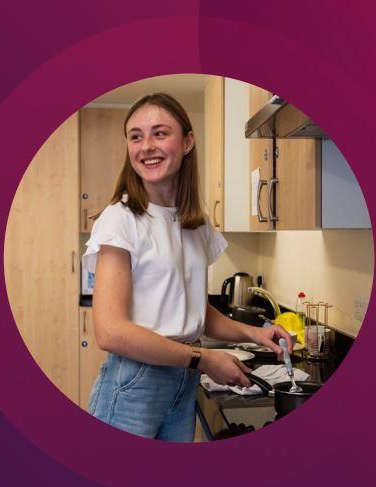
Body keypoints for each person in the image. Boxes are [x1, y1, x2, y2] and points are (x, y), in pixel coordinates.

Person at [82, 92, 291, 442]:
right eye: (136, 136)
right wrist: (203, 359)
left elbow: (193, 310)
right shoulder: (120, 220)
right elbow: (111, 332)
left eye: (160, 133)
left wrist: (253, 334)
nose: (146, 146)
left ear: (188, 141)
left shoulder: (196, 223)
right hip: (137, 382)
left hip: (182, 379)